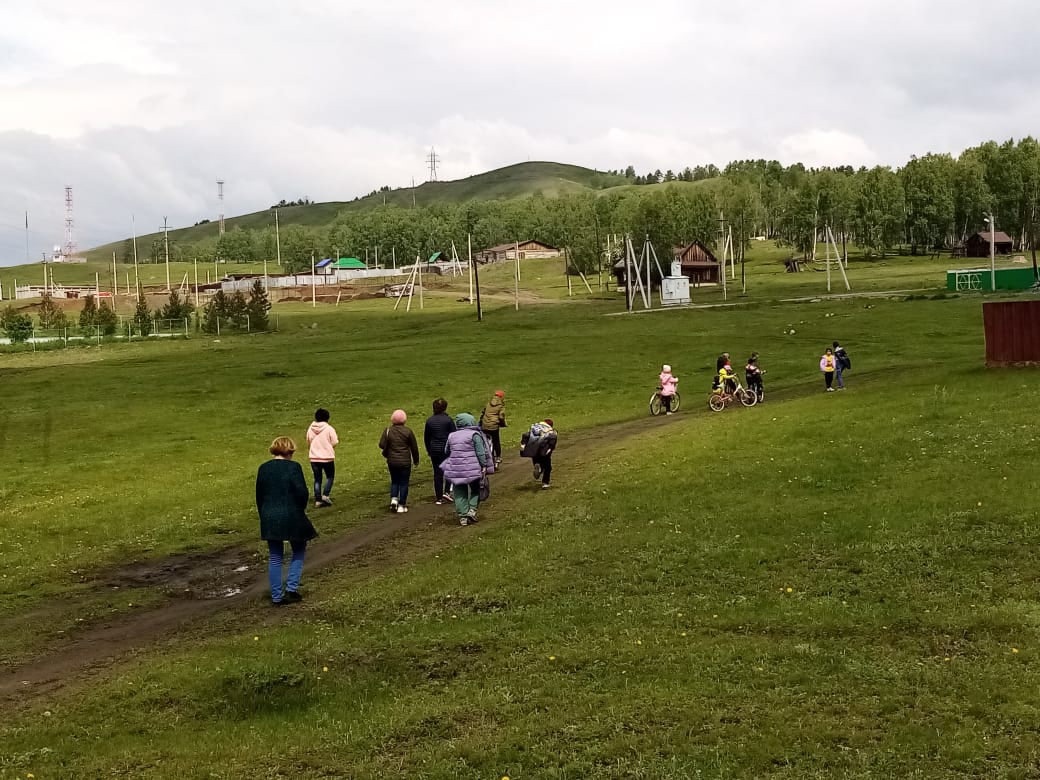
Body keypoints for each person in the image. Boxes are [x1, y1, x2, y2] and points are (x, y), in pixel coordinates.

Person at [256, 436, 318, 606]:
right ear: (290, 451)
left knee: (275, 556)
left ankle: (276, 596)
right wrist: (300, 509)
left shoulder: (263, 468)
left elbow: (259, 495)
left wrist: (264, 515)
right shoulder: (293, 467)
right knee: (299, 549)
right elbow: (302, 492)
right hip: (292, 513)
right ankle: (291, 588)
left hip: (269, 515)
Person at [442, 413, 491, 526]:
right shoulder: (474, 434)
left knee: (459, 492)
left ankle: (463, 517)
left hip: (456, 469)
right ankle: (472, 510)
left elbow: (446, 451)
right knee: (476, 489)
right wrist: (484, 465)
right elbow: (480, 452)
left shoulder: (451, 435)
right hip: (473, 468)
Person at [379, 410, 420, 513]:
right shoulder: (408, 431)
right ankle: (402, 505)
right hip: (405, 461)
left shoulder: (388, 431)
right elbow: (414, 448)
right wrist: (416, 460)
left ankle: (394, 499)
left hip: (392, 461)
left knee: (394, 481)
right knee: (404, 483)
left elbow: (381, 444)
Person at [424, 398, 456, 505]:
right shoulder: (448, 420)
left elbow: (427, 437)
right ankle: (447, 492)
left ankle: (438, 497)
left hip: (434, 450)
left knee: (437, 473)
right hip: (446, 450)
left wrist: (429, 449)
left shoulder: (429, 421)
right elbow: (453, 435)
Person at [306, 408, 338, 508]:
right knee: (330, 476)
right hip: (327, 457)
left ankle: (318, 499)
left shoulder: (311, 428)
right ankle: (325, 495)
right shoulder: (329, 429)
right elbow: (335, 441)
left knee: (317, 479)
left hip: (314, 458)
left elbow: (308, 440)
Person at [520, 419, 558, 488]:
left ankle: (538, 466)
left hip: (533, 449)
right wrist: (550, 449)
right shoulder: (550, 431)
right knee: (548, 467)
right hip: (544, 450)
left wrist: (523, 445)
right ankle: (545, 482)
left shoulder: (535, 427)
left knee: (536, 460)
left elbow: (526, 435)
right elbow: (552, 442)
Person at [479, 390, 507, 466]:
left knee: (485, 441)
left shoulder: (488, 403)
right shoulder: (501, 405)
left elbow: (483, 412)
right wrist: (503, 424)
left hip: (484, 425)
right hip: (493, 426)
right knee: (496, 441)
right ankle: (498, 457)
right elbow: (501, 417)